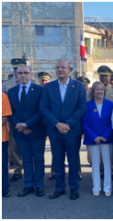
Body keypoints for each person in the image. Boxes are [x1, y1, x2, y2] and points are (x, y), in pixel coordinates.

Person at [40, 60, 87, 200]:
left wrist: (67, 124)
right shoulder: (48, 87)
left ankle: (74, 188)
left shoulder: (78, 86)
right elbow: (44, 107)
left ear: (69, 70)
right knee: (58, 161)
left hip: (72, 131)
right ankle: (59, 188)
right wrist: (57, 124)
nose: (60, 70)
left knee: (73, 161)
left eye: (63, 67)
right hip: (55, 131)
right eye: (57, 67)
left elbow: (82, 107)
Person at [8, 65, 46, 197]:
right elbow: (10, 112)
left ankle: (39, 185)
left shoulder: (40, 90)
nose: (23, 75)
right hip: (20, 132)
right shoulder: (11, 91)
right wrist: (20, 126)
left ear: (31, 74)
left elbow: (42, 111)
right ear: (16, 75)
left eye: (26, 73)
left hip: (36, 131)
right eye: (20, 73)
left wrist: (26, 124)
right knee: (26, 159)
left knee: (38, 159)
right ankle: (28, 184)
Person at [82, 82, 113, 197]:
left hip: (107, 139)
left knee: (107, 164)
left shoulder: (111, 104)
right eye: (97, 89)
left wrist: (105, 136)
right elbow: (84, 123)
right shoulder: (87, 105)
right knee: (95, 164)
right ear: (92, 92)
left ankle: (108, 187)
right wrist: (94, 136)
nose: (99, 91)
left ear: (104, 92)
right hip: (93, 139)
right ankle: (96, 187)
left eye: (101, 89)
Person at [1, 58, 25, 183]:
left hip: (28, 120)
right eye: (15, 69)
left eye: (19, 68)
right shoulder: (7, 84)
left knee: (29, 147)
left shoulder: (32, 82)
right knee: (14, 147)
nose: (18, 71)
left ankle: (30, 169)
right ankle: (17, 170)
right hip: (12, 120)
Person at [77, 77, 92, 168]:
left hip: (88, 123)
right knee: (75, 148)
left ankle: (91, 161)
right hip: (77, 123)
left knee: (89, 144)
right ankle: (77, 169)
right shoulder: (73, 94)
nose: (83, 87)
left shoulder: (90, 95)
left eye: (85, 86)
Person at [1, 93, 12, 198]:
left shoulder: (2, 97)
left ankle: (4, 187)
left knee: (2, 165)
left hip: (1, 138)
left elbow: (4, 118)